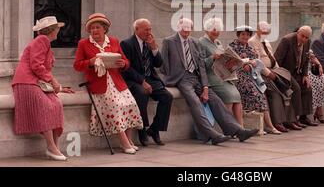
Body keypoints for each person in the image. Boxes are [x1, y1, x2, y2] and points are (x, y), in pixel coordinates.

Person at [160, 18, 258, 145]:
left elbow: (200, 65)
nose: (186, 31)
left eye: (189, 28)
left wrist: (205, 87)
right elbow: (163, 65)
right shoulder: (169, 41)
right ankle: (211, 134)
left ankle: (238, 131)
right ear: (178, 27)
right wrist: (170, 78)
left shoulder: (194, 42)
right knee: (195, 102)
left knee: (215, 99)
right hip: (182, 79)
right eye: (184, 28)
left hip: (197, 78)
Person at [74, 13, 143, 154]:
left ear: (104, 28)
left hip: (117, 82)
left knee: (130, 104)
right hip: (99, 84)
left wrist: (123, 63)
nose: (94, 30)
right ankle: (123, 142)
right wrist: (91, 62)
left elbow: (126, 62)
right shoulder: (83, 44)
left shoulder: (114, 41)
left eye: (97, 27)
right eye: (92, 28)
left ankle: (129, 140)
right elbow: (77, 65)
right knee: (117, 106)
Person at [12, 16, 74, 161]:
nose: (59, 30)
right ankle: (51, 147)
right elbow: (36, 65)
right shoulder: (42, 40)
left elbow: (42, 69)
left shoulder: (44, 42)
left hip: (36, 82)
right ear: (52, 30)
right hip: (26, 82)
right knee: (46, 106)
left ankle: (54, 148)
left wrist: (58, 87)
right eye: (57, 28)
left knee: (57, 104)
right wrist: (53, 80)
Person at [120, 18, 173, 146]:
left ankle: (154, 129)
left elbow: (159, 64)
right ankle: (142, 129)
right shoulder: (126, 44)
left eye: (150, 29)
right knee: (142, 93)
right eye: (146, 29)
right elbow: (126, 69)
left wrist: (154, 48)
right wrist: (142, 81)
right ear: (137, 29)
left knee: (167, 97)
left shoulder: (149, 43)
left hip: (151, 79)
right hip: (134, 80)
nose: (149, 32)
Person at [249, 21, 303, 131]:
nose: (265, 33)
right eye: (263, 31)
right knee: (276, 93)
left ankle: (290, 120)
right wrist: (269, 73)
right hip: (262, 73)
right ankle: (278, 122)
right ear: (258, 30)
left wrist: (278, 70)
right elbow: (257, 62)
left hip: (274, 70)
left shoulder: (266, 41)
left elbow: (272, 58)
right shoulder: (252, 42)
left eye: (267, 31)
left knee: (290, 88)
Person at [229, 25, 282, 134]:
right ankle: (268, 127)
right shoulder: (233, 46)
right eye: (243, 34)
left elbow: (257, 62)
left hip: (252, 76)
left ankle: (269, 126)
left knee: (262, 93)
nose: (245, 37)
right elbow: (231, 63)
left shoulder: (249, 47)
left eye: (247, 35)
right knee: (257, 94)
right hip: (238, 76)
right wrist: (245, 63)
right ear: (238, 35)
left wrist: (252, 64)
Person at [198, 18, 243, 126]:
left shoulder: (218, 42)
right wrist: (212, 58)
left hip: (223, 76)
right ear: (207, 30)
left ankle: (241, 127)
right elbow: (200, 64)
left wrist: (230, 62)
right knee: (229, 96)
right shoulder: (201, 42)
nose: (216, 32)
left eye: (218, 29)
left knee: (237, 97)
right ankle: (230, 127)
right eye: (213, 29)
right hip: (211, 77)